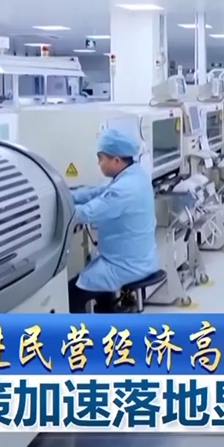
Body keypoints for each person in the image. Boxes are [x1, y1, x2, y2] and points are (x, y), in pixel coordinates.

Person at [68, 129, 160, 313]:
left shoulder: (124, 189)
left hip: (126, 265)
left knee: (72, 294)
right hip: (138, 258)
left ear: (116, 160)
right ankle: (108, 317)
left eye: (100, 158)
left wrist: (55, 209)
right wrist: (66, 195)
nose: (98, 164)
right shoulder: (135, 174)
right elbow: (97, 193)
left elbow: (86, 213)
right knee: (97, 280)